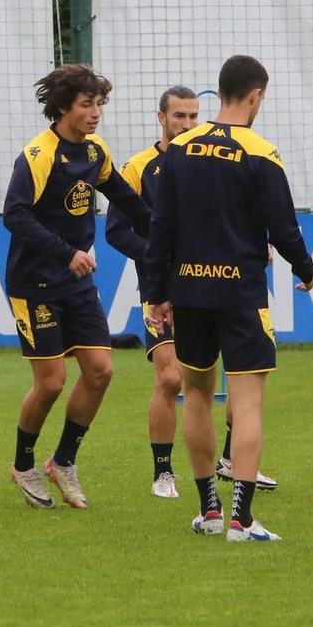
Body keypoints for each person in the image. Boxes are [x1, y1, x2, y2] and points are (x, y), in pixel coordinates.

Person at [143, 54, 313, 543]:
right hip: (240, 294)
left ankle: (209, 510)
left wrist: (156, 293)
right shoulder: (263, 152)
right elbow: (284, 228)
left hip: (188, 291)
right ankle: (241, 518)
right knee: (248, 402)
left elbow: (161, 226)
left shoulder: (179, 150)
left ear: (216, 96)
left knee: (195, 394)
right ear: (256, 95)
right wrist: (306, 270)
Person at [3, 64, 148, 511]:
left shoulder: (96, 151)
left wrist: (169, 234)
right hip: (35, 283)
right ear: (63, 107)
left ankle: (62, 461)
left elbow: (126, 199)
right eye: (87, 104)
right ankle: (23, 463)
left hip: (77, 282)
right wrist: (67, 251)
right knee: (51, 383)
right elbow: (15, 215)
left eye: (100, 104)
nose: (95, 113)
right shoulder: (38, 155)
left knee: (101, 371)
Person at [105, 85, 200, 499]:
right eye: (179, 116)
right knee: (170, 377)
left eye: (193, 116)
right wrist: (157, 258)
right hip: (158, 289)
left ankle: (231, 461)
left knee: (216, 376)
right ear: (161, 117)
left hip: (204, 283)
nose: (187, 124)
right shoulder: (138, 167)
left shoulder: (207, 160)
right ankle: (163, 471)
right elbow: (115, 232)